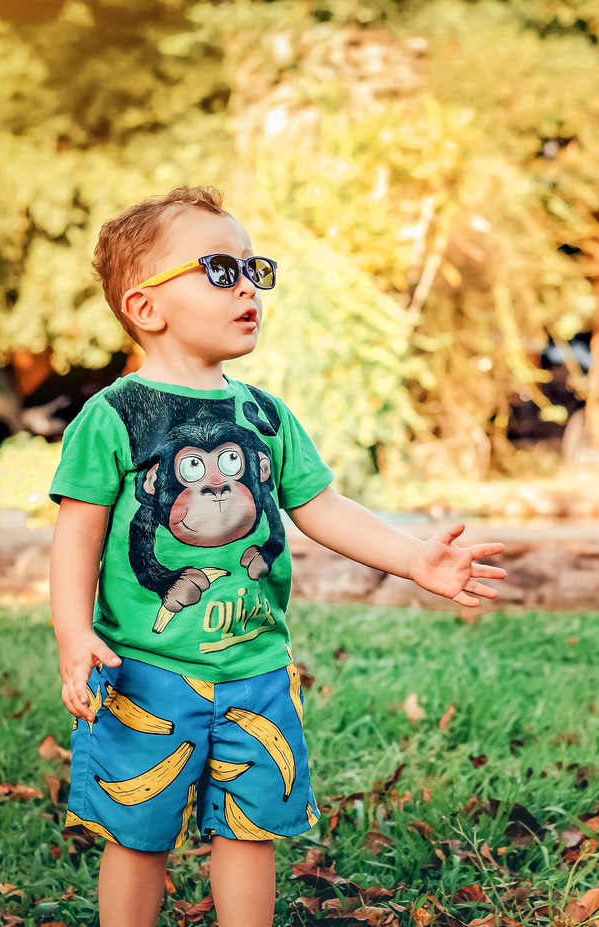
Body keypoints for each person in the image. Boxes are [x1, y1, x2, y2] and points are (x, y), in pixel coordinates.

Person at [48, 185, 506, 927]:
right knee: (138, 830)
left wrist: (414, 558)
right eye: (220, 270)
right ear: (146, 307)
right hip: (145, 671)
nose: (247, 287)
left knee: (250, 825)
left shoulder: (264, 414)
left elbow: (324, 507)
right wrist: (74, 634)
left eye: (253, 269)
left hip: (257, 669)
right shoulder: (114, 417)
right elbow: (79, 534)